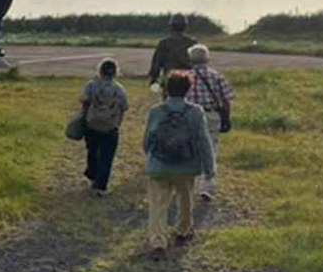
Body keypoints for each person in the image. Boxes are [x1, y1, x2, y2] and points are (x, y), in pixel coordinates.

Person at [141, 70, 215, 259]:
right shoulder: (195, 112)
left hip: (159, 165)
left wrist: (150, 157)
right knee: (185, 199)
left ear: (166, 89)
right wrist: (209, 168)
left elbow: (147, 140)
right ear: (188, 89)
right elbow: (203, 141)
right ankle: (183, 231)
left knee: (158, 204)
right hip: (186, 165)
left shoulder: (156, 111)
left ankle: (157, 242)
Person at [184, 44, 234, 201]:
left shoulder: (185, 77)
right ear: (207, 59)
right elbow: (226, 100)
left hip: (191, 116)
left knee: (190, 149)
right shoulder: (217, 76)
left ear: (190, 59)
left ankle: (188, 183)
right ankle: (208, 185)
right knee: (211, 149)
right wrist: (226, 118)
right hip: (211, 115)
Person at [78, 58, 129, 195]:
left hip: (92, 124)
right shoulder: (119, 89)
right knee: (107, 156)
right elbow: (124, 107)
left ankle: (93, 173)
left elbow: (83, 100)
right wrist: (117, 124)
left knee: (92, 151)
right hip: (110, 127)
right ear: (115, 73)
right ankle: (100, 186)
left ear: (100, 70)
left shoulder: (91, 85)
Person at [148, 13, 197, 93]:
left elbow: (156, 64)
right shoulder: (192, 43)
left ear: (171, 26)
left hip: (169, 83)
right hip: (188, 82)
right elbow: (197, 64)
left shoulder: (163, 43)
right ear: (185, 26)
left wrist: (153, 81)